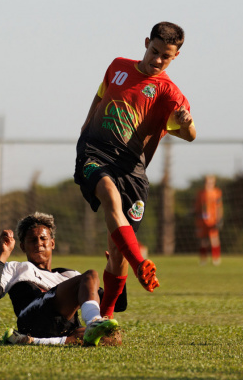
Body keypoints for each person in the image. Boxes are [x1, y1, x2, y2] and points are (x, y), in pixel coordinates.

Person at [75, 21, 196, 318]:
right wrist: (85, 127)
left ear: (176, 56)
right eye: (154, 51)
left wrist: (186, 123)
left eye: (165, 56)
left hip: (132, 170)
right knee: (108, 195)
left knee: (117, 253)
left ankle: (106, 320)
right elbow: (100, 95)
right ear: (146, 43)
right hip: (96, 152)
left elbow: (190, 135)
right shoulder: (118, 65)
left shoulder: (169, 93)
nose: (157, 60)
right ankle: (141, 263)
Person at [0, 212, 123, 347]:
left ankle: (32, 341)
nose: (39, 243)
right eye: (32, 240)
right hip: (33, 319)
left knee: (113, 337)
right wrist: (2, 255)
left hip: (63, 328)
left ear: (52, 243)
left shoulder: (69, 275)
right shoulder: (17, 268)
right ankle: (93, 322)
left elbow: (119, 304)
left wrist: (117, 267)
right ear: (23, 246)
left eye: (43, 238)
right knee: (91, 274)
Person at [195, 174, 223, 265]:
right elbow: (197, 206)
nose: (208, 184)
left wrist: (219, 219)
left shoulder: (217, 193)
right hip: (202, 220)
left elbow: (219, 207)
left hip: (213, 220)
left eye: (211, 182)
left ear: (214, 183)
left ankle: (216, 259)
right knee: (203, 241)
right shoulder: (200, 193)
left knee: (214, 239)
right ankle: (203, 259)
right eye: (207, 182)